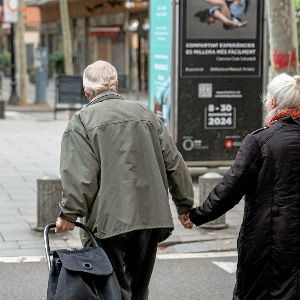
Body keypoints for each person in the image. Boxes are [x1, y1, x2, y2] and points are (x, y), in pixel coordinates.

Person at [55, 60, 194, 299]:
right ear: (116, 85)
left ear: (87, 91)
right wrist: (185, 205)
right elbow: (174, 162)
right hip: (150, 216)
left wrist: (68, 213)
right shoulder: (146, 114)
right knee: (138, 288)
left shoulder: (81, 121)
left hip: (107, 222)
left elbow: (81, 176)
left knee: (111, 289)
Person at [186, 73, 300, 299]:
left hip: (269, 241)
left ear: (273, 103)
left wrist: (198, 215)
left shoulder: (260, 141)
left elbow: (230, 188)